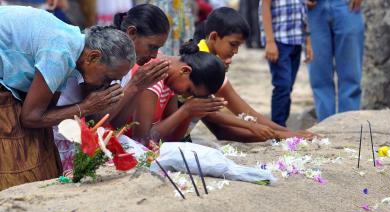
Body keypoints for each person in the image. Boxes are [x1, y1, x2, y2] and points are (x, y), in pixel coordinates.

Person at [0, 6, 135, 190]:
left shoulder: (72, 45)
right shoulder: (61, 53)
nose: (106, 86)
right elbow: (30, 117)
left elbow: (46, 112)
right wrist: (86, 107)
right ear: (93, 57)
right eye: (107, 79)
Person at [55, 3, 171, 171]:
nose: (154, 55)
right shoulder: (103, 57)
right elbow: (93, 119)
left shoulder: (127, 66)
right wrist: (133, 86)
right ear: (131, 33)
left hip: (85, 138)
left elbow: (115, 123)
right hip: (61, 139)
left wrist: (138, 87)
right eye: (152, 47)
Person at [193, 7, 315, 142]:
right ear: (214, 37)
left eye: (239, 46)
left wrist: (288, 132)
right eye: (233, 44)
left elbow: (246, 112)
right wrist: (278, 135)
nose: (236, 51)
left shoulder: (209, 61)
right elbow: (222, 129)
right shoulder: (200, 65)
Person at [132, 41, 227, 145]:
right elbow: (141, 139)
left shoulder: (170, 79)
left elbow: (171, 138)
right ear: (185, 71)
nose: (186, 95)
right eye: (189, 90)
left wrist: (189, 114)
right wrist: (185, 110)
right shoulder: (154, 73)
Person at [306, 0, 364, 121]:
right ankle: (326, 128)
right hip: (313, 8)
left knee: (351, 75)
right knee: (319, 76)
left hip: (347, 5)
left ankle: (349, 125)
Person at [260, 0, 313, 127]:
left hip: (296, 41)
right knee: (282, 85)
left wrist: (308, 42)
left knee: (288, 87)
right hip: (279, 41)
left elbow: (303, 13)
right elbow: (265, 7)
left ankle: (282, 126)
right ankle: (278, 128)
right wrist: (270, 41)